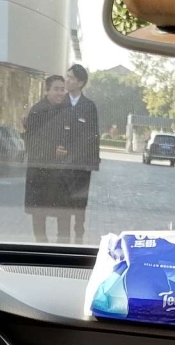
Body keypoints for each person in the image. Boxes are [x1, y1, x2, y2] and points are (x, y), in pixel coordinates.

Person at [23, 75, 70, 244]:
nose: (60, 93)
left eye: (62, 89)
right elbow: (30, 142)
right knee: (39, 212)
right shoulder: (37, 111)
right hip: (40, 171)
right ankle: (41, 245)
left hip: (61, 172)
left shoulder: (67, 110)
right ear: (47, 90)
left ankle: (63, 246)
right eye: (56, 89)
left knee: (64, 212)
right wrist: (52, 151)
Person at [60, 64, 101, 245]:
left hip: (81, 166)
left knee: (79, 204)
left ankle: (78, 238)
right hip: (61, 164)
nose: (67, 80)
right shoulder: (60, 103)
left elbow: (93, 135)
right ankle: (62, 241)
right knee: (62, 204)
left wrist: (92, 162)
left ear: (80, 82)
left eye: (71, 78)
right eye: (67, 76)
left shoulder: (89, 106)